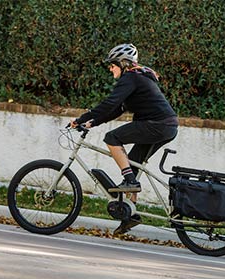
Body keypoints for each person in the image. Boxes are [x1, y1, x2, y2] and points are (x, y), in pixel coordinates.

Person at [71, 43, 178, 234]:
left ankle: (130, 181)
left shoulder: (131, 77)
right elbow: (117, 109)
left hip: (157, 125)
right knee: (134, 164)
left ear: (122, 63)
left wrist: (82, 118)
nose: (110, 68)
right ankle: (130, 214)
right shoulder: (137, 78)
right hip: (165, 126)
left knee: (112, 138)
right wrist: (91, 123)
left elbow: (109, 103)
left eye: (112, 64)